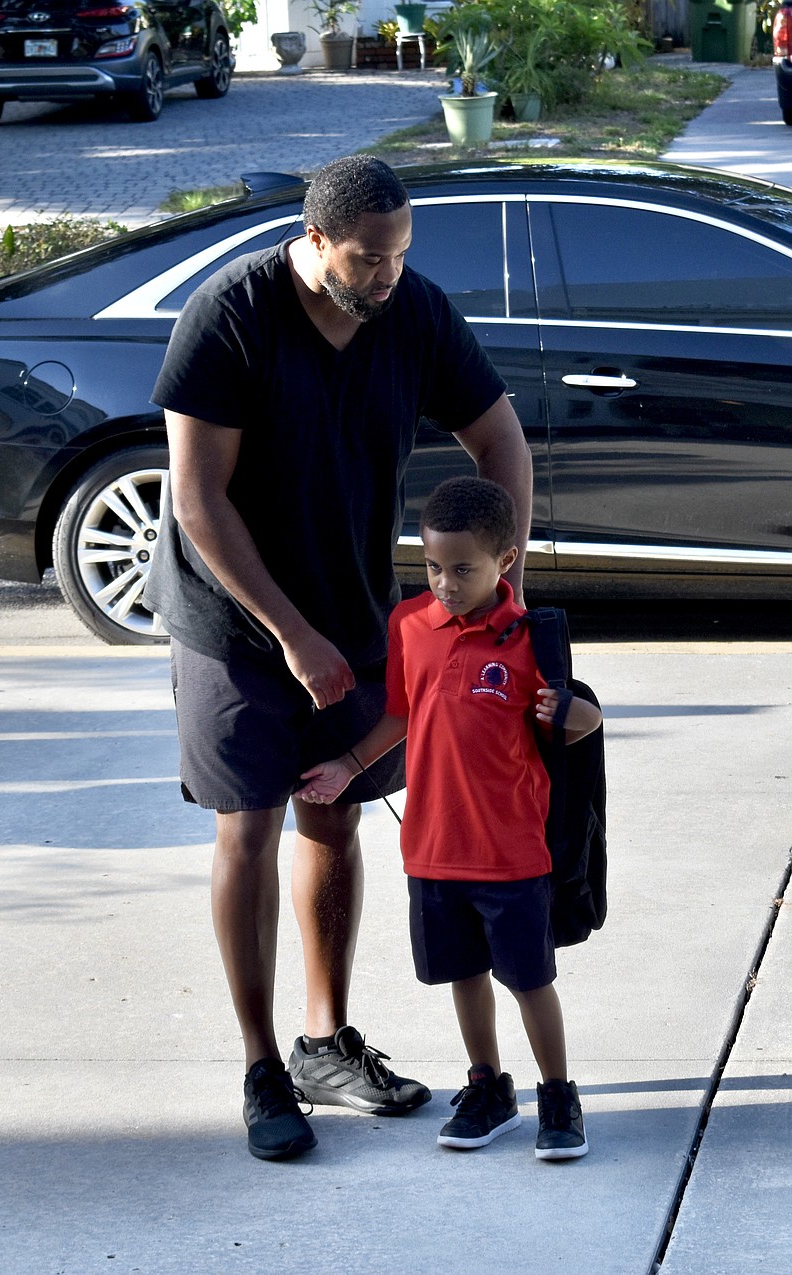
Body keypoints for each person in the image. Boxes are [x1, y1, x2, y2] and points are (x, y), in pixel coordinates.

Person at [143, 155, 534, 1162]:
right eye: (369, 257)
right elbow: (198, 499)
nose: (388, 275)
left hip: (352, 607)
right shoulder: (231, 315)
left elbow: (500, 443)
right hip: (233, 619)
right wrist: (291, 635)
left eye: (400, 254)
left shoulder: (414, 311)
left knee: (336, 812)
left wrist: (502, 580)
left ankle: (325, 1043)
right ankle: (262, 1066)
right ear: (316, 240)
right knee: (250, 824)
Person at [297, 475, 601, 1159]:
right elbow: (401, 714)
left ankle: (558, 1093)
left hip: (510, 851)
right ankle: (488, 1087)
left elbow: (581, 723)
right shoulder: (410, 625)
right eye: (433, 566)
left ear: (506, 560)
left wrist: (576, 713)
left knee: (529, 979)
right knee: (464, 973)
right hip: (434, 847)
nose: (444, 583)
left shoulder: (528, 640)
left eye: (462, 569)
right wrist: (348, 767)